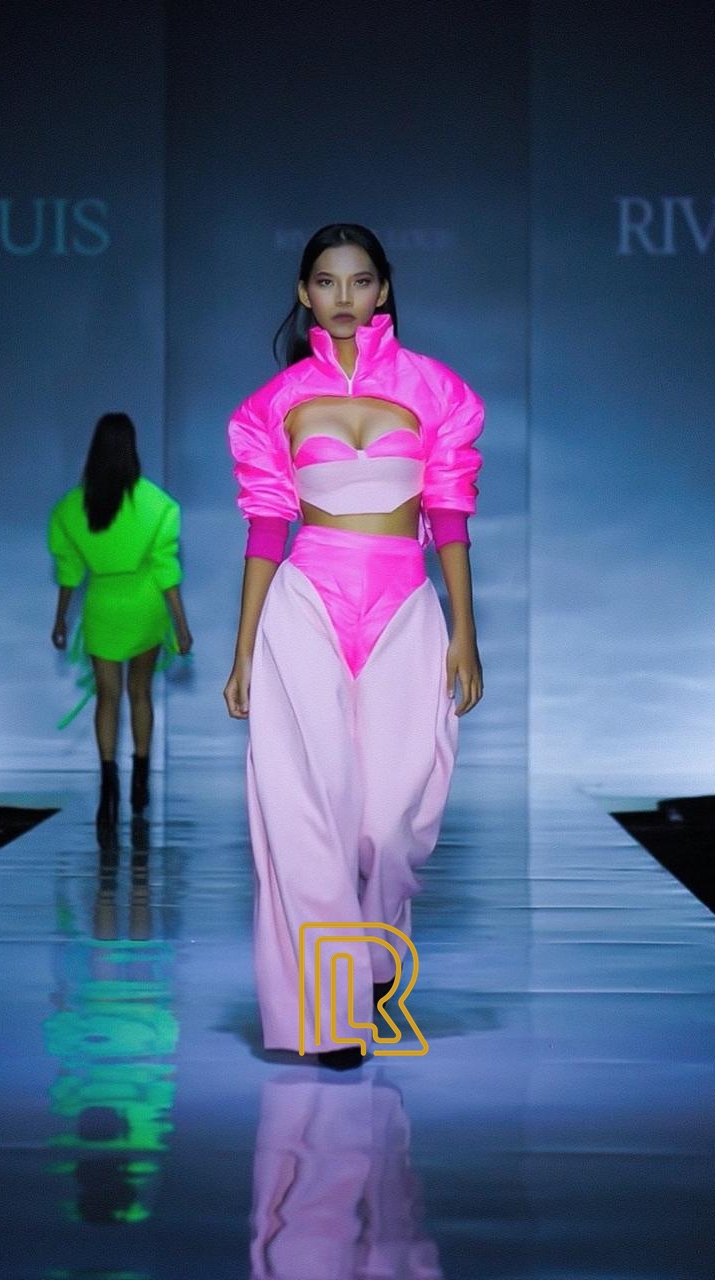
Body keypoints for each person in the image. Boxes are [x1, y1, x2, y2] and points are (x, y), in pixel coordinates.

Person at [224, 224, 483, 1069]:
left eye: (361, 280)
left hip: (405, 604)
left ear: (384, 289)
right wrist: (242, 652)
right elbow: (267, 527)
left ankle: (373, 953)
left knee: (391, 824)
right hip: (305, 602)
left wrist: (466, 631)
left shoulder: (436, 390)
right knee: (311, 812)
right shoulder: (272, 404)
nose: (344, 296)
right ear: (305, 293)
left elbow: (450, 513)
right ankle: (331, 1015)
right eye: (327, 282)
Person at [48, 413, 192, 841]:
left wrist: (60, 618)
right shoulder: (157, 504)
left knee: (107, 698)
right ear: (132, 448)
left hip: (102, 605)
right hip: (144, 605)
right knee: (140, 693)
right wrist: (181, 625)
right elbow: (165, 568)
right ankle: (140, 782)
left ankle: (108, 788)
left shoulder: (73, 507)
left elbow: (69, 569)